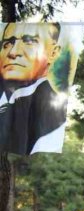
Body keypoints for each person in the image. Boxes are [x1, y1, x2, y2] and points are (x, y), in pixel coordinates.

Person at [0, 22, 67, 155]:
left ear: (53, 53)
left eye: (29, 41)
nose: (13, 52)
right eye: (7, 44)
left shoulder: (52, 119)